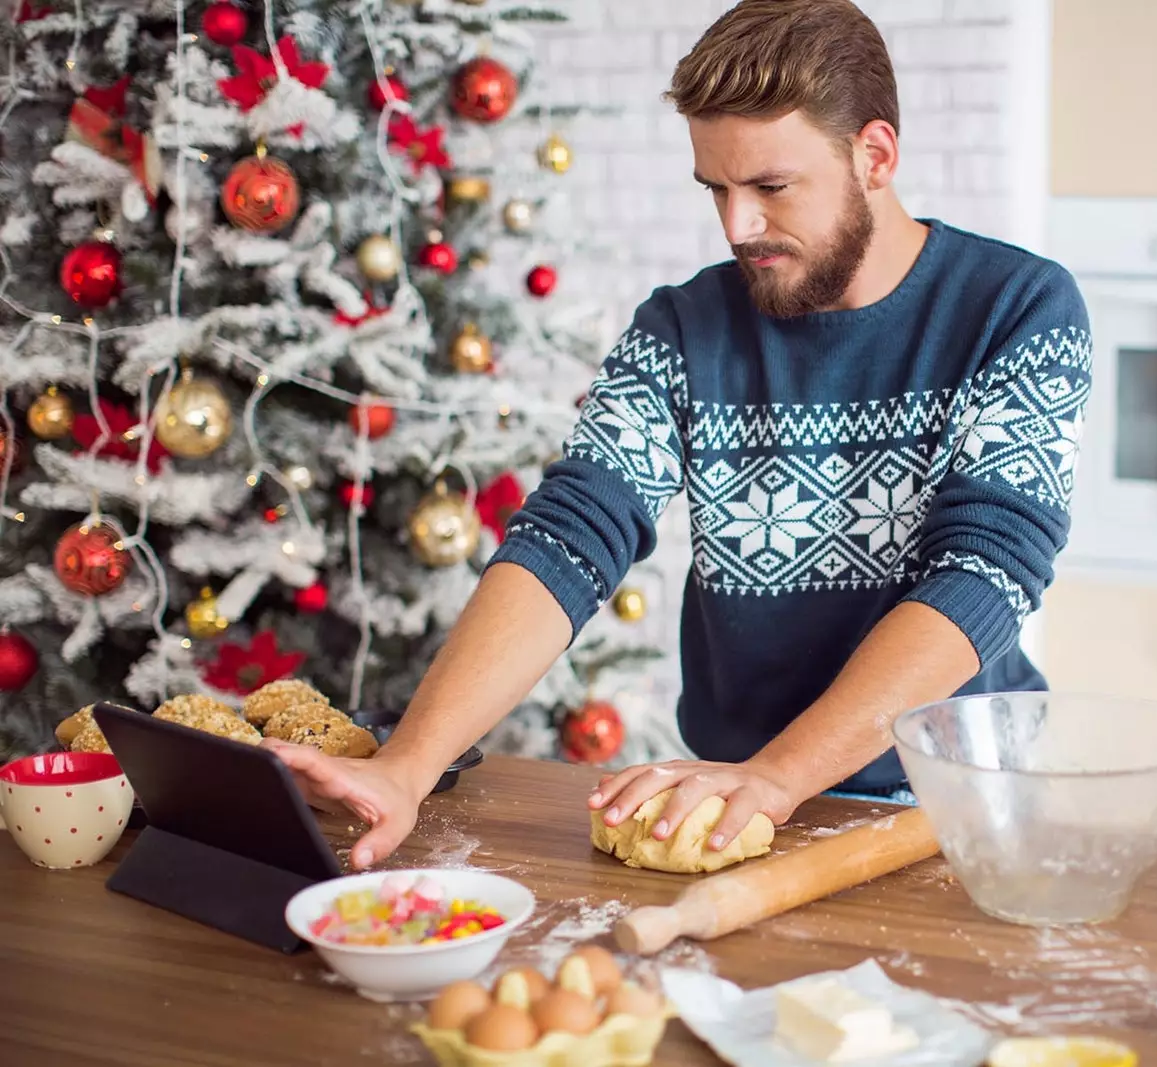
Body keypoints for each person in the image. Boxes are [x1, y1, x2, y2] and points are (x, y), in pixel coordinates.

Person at [264, 0, 1092, 870]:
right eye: (717, 190)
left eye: (770, 187)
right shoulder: (682, 329)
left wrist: (779, 775)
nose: (738, 228)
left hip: (962, 802)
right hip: (747, 802)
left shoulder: (1018, 309)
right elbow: (574, 531)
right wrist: (408, 765)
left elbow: (987, 568)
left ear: (875, 156)